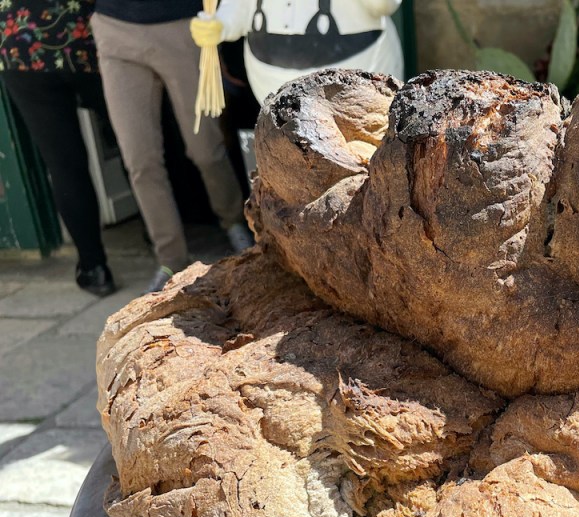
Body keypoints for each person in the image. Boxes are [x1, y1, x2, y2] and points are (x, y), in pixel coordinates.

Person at [91, 0, 255, 293]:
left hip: (182, 26)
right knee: (140, 160)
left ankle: (233, 221)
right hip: (113, 29)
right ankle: (171, 258)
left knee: (205, 148)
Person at [0, 1, 117, 296]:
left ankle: (94, 268)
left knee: (64, 164)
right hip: (85, 36)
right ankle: (165, 239)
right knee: (134, 144)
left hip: (21, 47)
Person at [189, 0, 403, 105]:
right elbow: (240, 5)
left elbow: (383, 5)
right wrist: (222, 24)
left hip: (357, 80)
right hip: (272, 84)